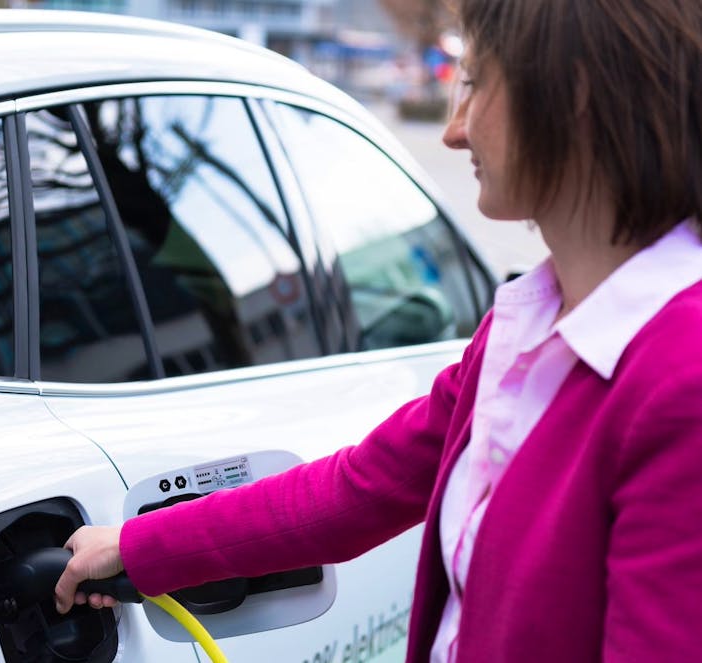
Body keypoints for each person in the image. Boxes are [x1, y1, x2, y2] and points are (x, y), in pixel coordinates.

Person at [54, 0, 702, 660]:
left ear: (575, 95)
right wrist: (136, 545)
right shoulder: (526, 326)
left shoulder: (682, 379)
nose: (454, 129)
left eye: (474, 82)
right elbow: (353, 491)